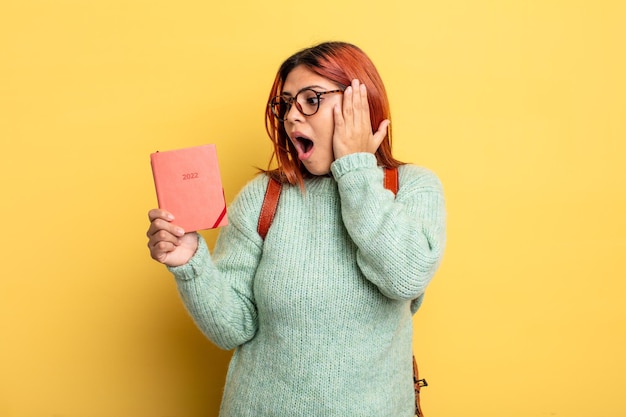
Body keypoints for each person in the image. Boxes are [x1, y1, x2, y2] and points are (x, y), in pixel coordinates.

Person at [146, 41, 446, 417]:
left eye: (311, 99)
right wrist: (189, 262)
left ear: (360, 102)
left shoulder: (412, 187)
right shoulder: (263, 197)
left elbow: (405, 276)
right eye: (285, 103)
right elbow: (232, 329)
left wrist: (355, 167)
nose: (291, 117)